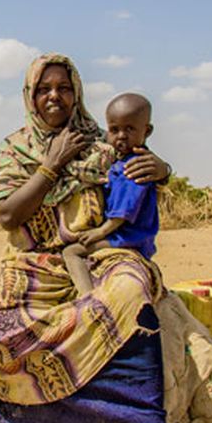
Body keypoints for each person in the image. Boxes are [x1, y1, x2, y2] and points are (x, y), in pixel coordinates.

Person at [0, 53, 202, 423]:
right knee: (0, 324)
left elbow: (139, 170)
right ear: (30, 96)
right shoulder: (14, 148)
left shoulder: (104, 142)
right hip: (34, 260)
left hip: (100, 252)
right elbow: (7, 216)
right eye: (44, 89)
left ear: (77, 92)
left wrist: (163, 169)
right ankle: (3, 406)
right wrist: (51, 165)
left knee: (130, 293)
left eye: (63, 87)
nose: (54, 96)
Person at [62, 93, 159, 295]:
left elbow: (122, 213)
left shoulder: (134, 168)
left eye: (129, 129)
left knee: (71, 253)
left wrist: (99, 232)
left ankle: (88, 297)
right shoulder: (119, 160)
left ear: (147, 131)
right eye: (114, 130)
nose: (121, 136)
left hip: (126, 238)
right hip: (126, 236)